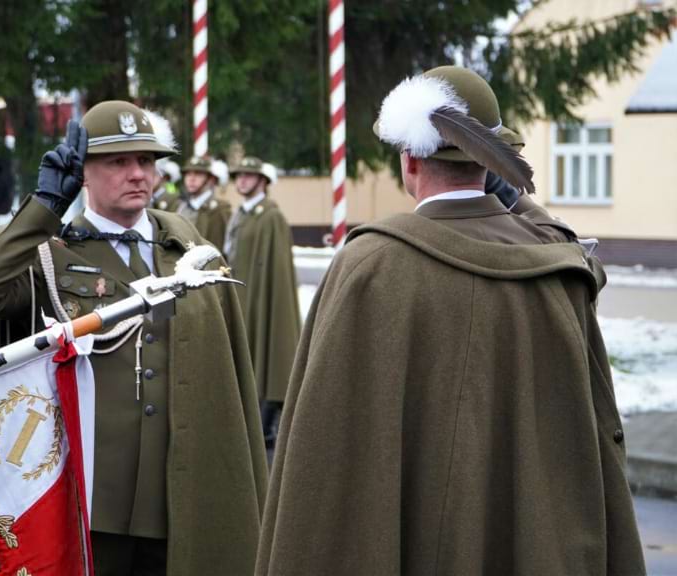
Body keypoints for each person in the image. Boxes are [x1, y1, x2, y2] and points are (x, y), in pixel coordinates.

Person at [256, 66, 644, 576]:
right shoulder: (558, 269)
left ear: (410, 159)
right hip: (533, 547)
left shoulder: (371, 266)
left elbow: (327, 451)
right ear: (493, 162)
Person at [0, 100, 267, 576]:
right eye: (118, 162)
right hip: (89, 501)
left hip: (183, 493)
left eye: (145, 160)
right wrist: (43, 208)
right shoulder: (51, 254)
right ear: (83, 172)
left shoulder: (191, 249)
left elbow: (229, 374)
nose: (137, 173)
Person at [224, 157, 301, 448]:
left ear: (263, 181)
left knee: (265, 349)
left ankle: (266, 419)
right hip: (244, 294)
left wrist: (262, 297)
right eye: (239, 175)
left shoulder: (270, 216)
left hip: (260, 295)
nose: (242, 180)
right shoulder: (242, 215)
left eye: (249, 175)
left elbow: (276, 269)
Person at [177, 155, 231, 249]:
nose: (191, 179)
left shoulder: (220, 210)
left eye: (198, 174)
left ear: (210, 179)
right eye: (188, 174)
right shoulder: (181, 207)